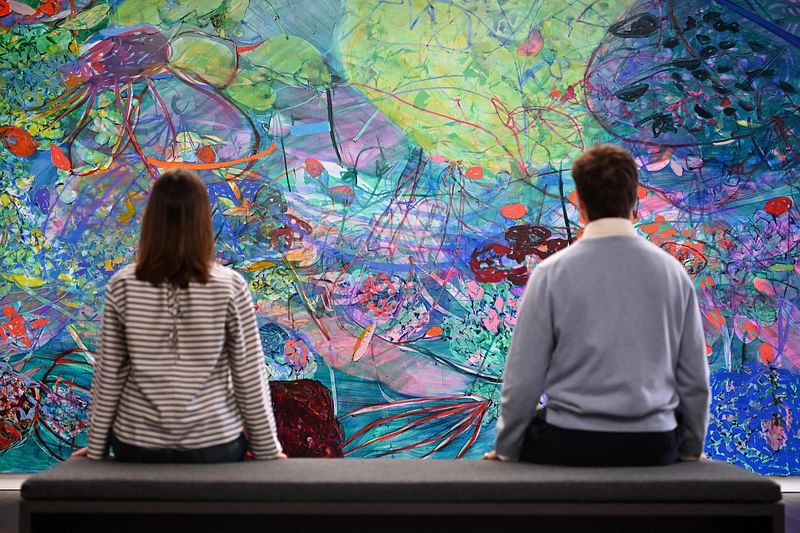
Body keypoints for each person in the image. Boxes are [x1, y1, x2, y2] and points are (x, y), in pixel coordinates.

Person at [484, 144, 710, 466]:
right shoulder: (673, 273)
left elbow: (523, 379)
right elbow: (694, 380)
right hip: (652, 445)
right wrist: (690, 450)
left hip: (570, 442)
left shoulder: (550, 273)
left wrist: (506, 450)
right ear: (634, 200)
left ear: (580, 203)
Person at [73, 169, 285, 463]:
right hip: (214, 445)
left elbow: (108, 375)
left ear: (151, 221)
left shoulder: (123, 284)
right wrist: (267, 452)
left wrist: (96, 451)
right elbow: (249, 377)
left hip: (137, 445)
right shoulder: (229, 286)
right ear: (203, 222)